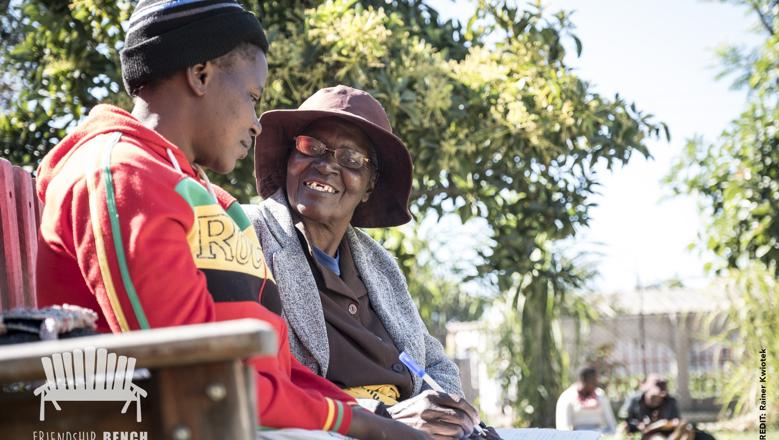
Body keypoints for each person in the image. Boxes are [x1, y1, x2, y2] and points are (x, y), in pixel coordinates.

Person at [34, 2, 429, 439]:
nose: (257, 124)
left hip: (239, 415)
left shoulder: (207, 198)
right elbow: (190, 371)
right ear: (201, 75)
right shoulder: (121, 175)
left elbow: (275, 370)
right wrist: (353, 422)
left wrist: (369, 412)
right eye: (252, 97)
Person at [244, 85, 495, 440]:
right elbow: (258, 377)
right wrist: (382, 419)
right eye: (310, 147)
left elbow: (433, 363)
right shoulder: (247, 233)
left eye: (350, 159)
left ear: (370, 184)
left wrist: (448, 412)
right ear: (290, 156)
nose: (327, 165)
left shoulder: (379, 264)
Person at [619, 375, 715, 440]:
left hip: (669, 432)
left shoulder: (670, 401)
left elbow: (676, 420)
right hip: (648, 435)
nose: (658, 399)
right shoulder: (634, 400)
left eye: (660, 396)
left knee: (694, 433)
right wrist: (638, 425)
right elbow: (625, 420)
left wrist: (670, 424)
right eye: (654, 396)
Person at [555, 366, 617, 434]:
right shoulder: (567, 397)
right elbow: (563, 427)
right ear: (583, 380)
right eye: (593, 380)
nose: (596, 383)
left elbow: (611, 424)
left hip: (599, 435)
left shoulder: (600, 395)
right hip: (577, 436)